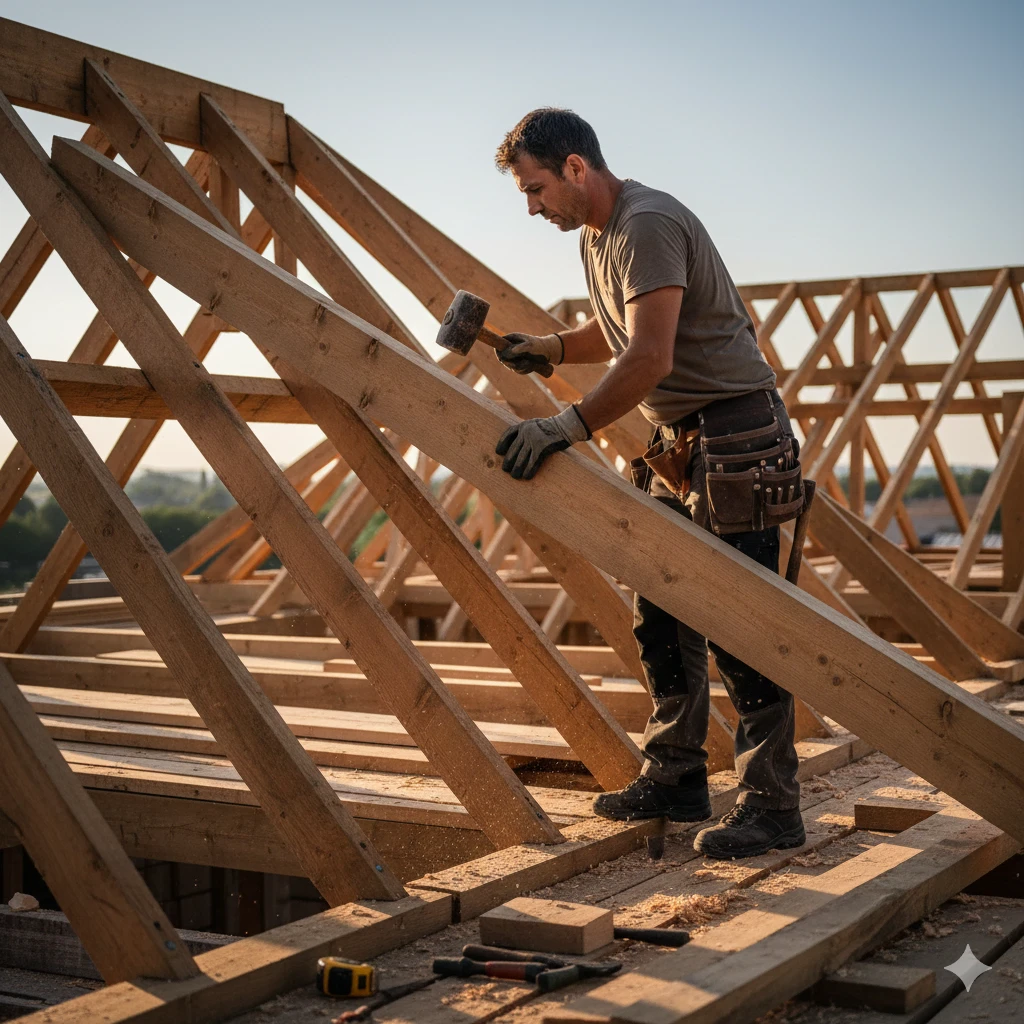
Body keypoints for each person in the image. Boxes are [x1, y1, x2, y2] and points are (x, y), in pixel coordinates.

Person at [492, 107, 806, 860]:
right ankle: (676, 779)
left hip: (737, 440)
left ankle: (772, 805)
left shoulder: (646, 221)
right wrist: (556, 346)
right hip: (685, 444)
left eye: (536, 189)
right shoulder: (601, 237)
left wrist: (565, 426)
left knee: (741, 623)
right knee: (660, 609)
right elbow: (624, 323)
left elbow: (649, 358)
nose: (532, 208)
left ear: (575, 167)